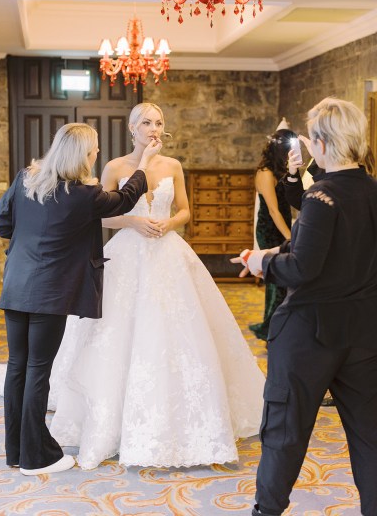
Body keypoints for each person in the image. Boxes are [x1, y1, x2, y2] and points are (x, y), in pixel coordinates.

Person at [47, 102, 265, 470]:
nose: (153, 128)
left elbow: (185, 210)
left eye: (158, 122)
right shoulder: (115, 167)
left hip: (168, 254)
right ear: (132, 129)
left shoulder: (173, 166)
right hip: (128, 255)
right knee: (116, 330)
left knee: (177, 330)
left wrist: (168, 224)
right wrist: (133, 222)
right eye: (145, 122)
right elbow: (101, 214)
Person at [0, 122, 161, 476]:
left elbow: (2, 225)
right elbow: (125, 199)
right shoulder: (84, 195)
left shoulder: (27, 179)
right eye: (94, 149)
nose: (98, 153)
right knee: (38, 370)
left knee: (18, 367)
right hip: (49, 293)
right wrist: (144, 164)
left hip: (16, 286)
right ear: (82, 155)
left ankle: (16, 450)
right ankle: (35, 458)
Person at [240, 97, 377, 516]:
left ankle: (267, 510)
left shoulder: (322, 197)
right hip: (364, 334)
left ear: (318, 143)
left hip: (309, 336)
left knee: (285, 431)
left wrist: (261, 260)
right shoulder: (369, 190)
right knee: (369, 436)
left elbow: (301, 267)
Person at [233, 128, 293, 341]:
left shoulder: (280, 170)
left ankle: (273, 322)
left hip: (281, 225)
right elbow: (273, 210)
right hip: (270, 229)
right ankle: (272, 326)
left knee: (279, 281)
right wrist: (290, 237)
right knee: (278, 281)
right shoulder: (266, 173)